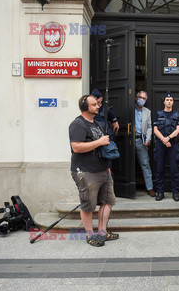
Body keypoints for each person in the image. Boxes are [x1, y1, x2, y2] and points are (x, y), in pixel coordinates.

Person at [68, 95, 119, 247]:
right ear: (85, 107)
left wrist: (108, 168)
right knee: (88, 205)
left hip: (102, 169)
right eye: (94, 104)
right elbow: (76, 147)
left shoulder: (97, 123)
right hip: (85, 171)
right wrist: (99, 142)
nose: (98, 106)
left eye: (97, 104)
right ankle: (90, 235)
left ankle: (102, 233)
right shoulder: (78, 124)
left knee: (108, 202)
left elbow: (102, 147)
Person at [153, 91, 179, 202]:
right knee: (159, 168)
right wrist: (164, 140)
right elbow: (155, 130)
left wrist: (168, 138)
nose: (169, 102)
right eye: (167, 100)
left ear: (173, 102)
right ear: (164, 101)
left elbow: (178, 130)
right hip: (161, 144)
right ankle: (160, 192)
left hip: (173, 143)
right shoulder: (158, 114)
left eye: (171, 100)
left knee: (174, 169)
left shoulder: (177, 115)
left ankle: (175, 192)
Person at [134, 91, 155, 197]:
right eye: (140, 97)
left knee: (145, 164)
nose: (142, 100)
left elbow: (150, 127)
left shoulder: (147, 111)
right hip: (129, 139)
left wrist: (148, 139)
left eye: (144, 98)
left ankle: (150, 188)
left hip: (141, 141)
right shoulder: (129, 108)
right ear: (136, 97)